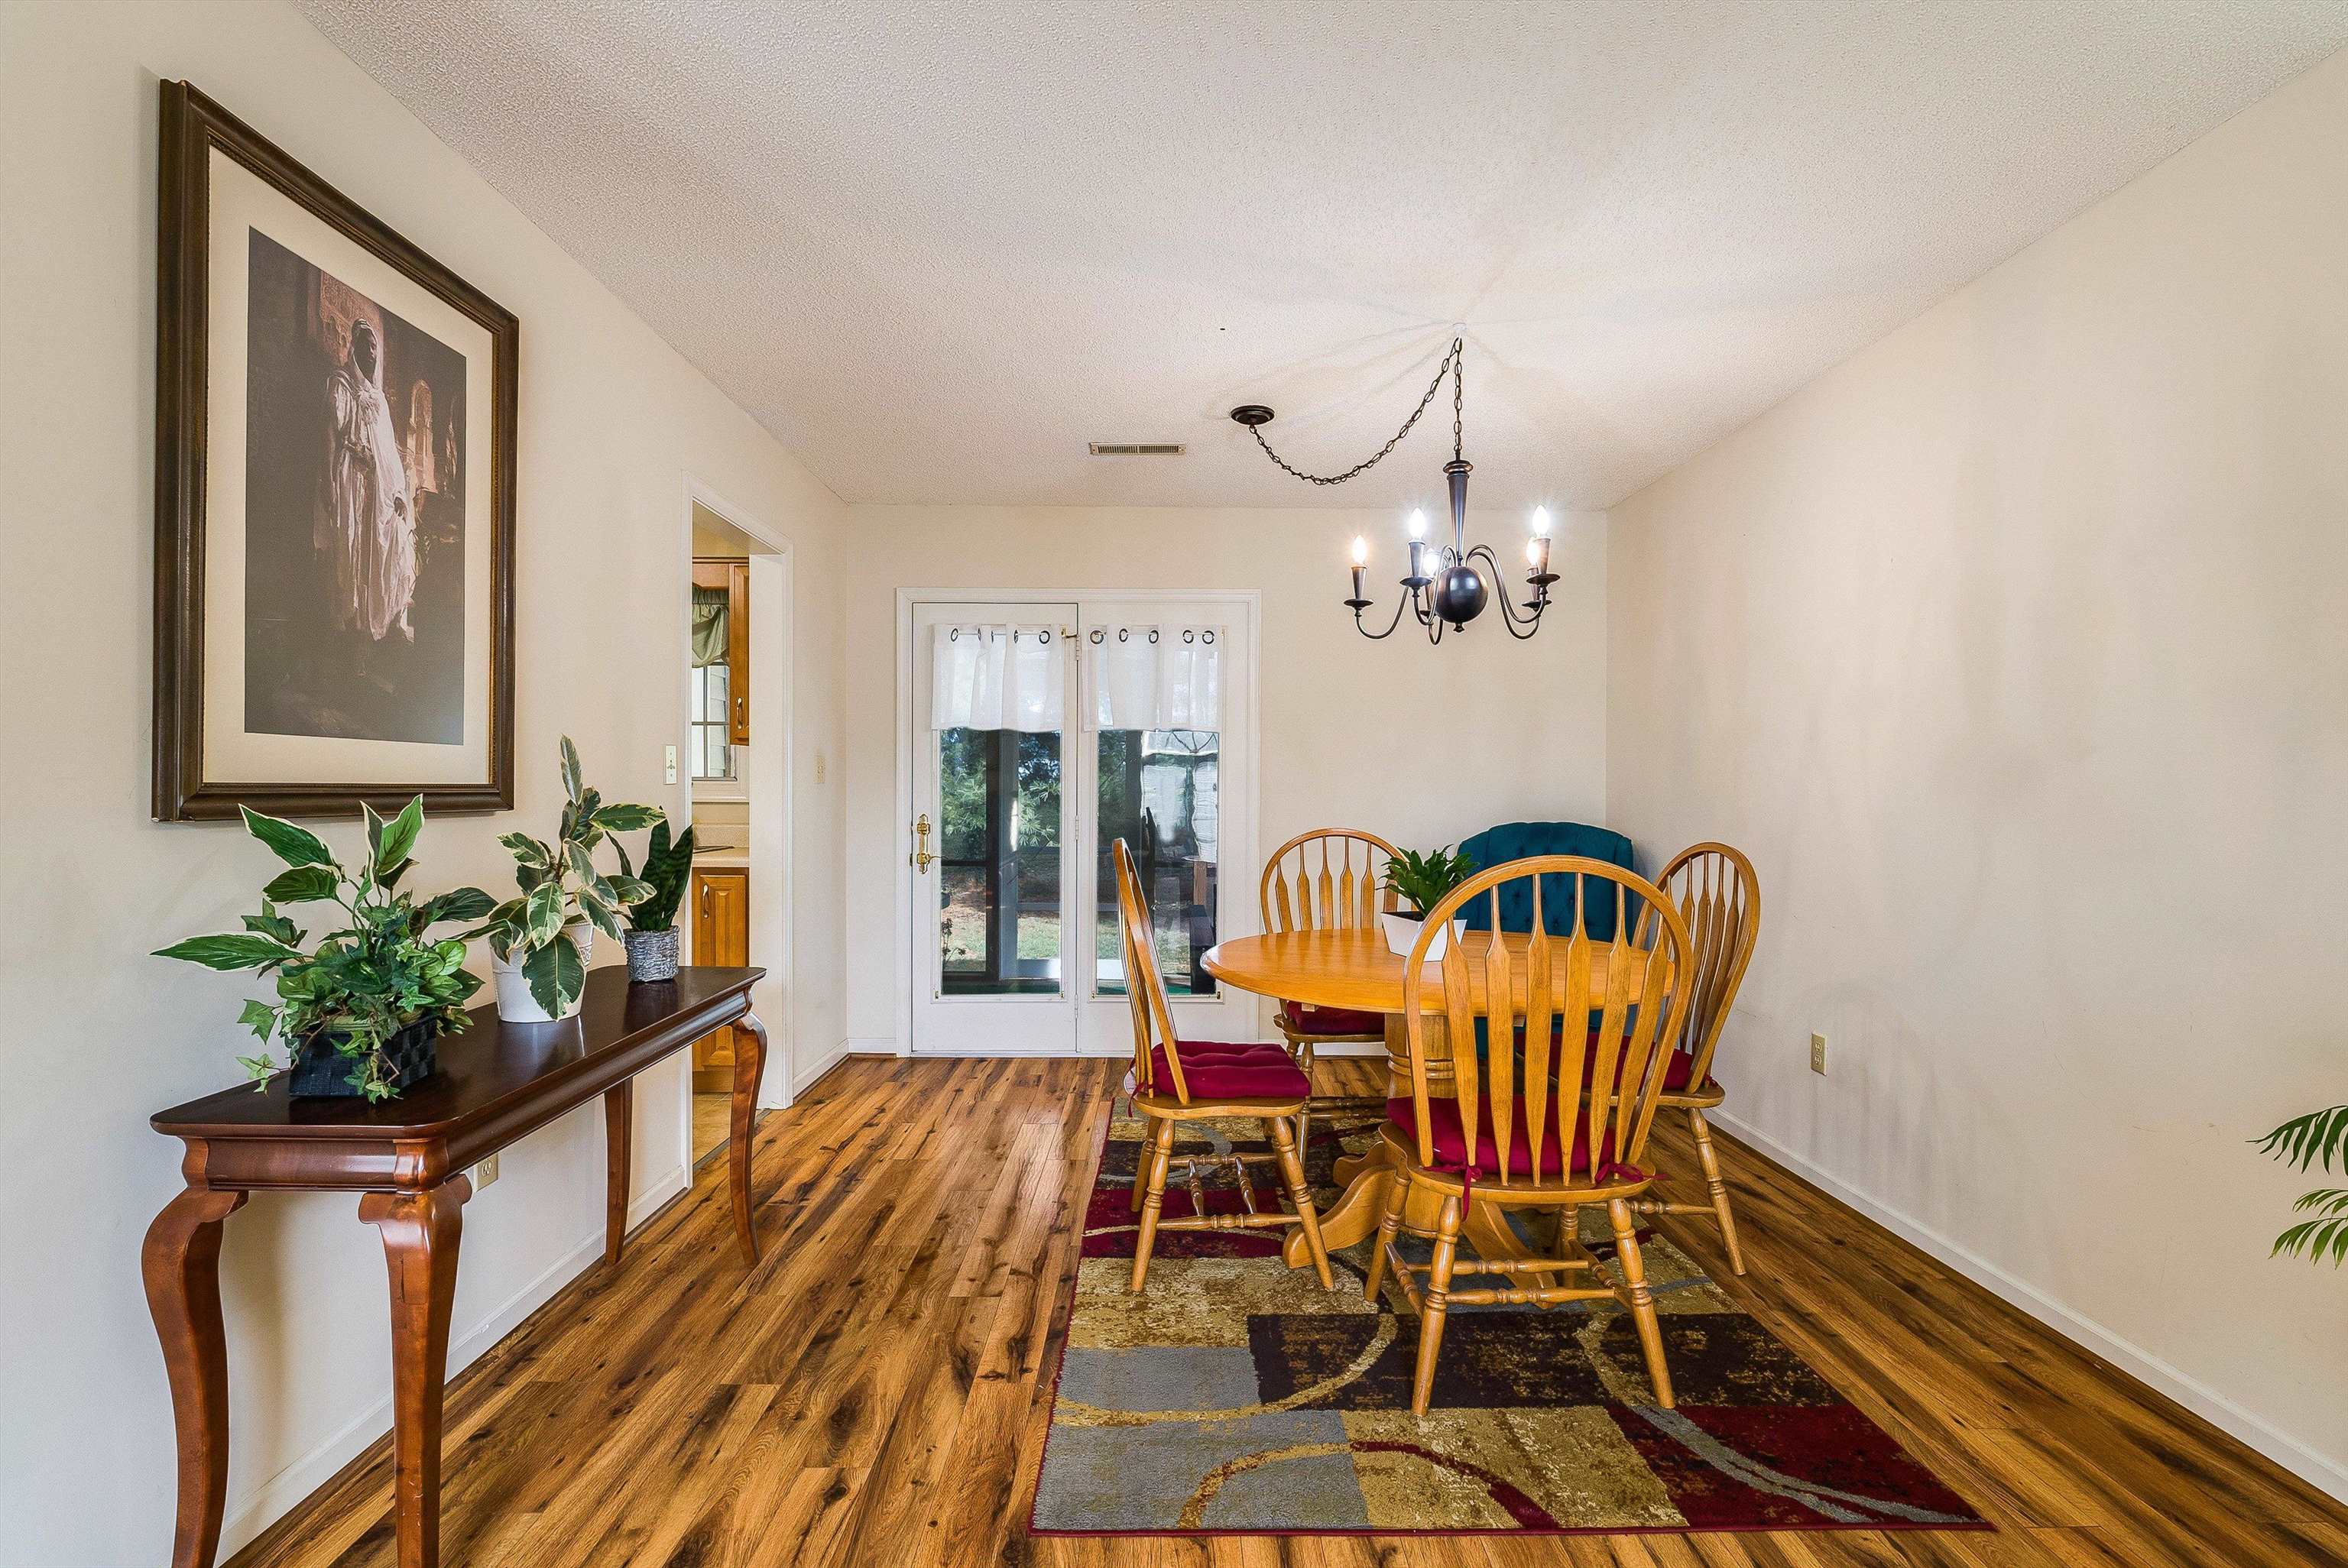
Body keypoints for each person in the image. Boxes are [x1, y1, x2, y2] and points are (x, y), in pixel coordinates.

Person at [319, 318, 417, 642]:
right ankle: (350, 629)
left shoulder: (380, 399)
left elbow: (389, 450)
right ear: (354, 349)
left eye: (376, 348)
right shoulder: (340, 385)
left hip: (380, 488)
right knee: (350, 545)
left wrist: (400, 491)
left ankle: (373, 630)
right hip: (350, 478)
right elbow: (331, 435)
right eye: (367, 347)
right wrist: (331, 481)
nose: (372, 354)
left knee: (380, 545)